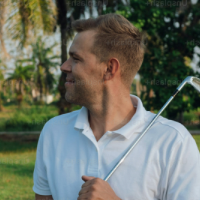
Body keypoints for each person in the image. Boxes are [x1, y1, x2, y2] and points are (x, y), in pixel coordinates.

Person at [32, 13, 200, 200]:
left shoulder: (174, 143)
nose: (64, 66)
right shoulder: (53, 132)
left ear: (109, 69)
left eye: (76, 59)